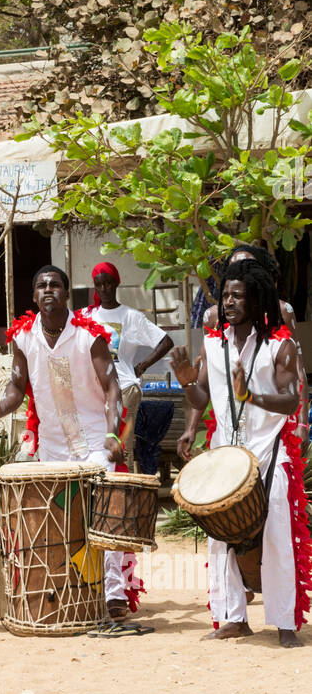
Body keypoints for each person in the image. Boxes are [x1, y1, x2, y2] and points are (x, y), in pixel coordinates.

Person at [0, 265, 143, 621]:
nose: (48, 289)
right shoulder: (22, 338)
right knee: (58, 522)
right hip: (52, 448)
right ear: (34, 296)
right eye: (41, 285)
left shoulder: (90, 336)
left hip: (97, 444)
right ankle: (69, 590)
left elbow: (113, 387)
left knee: (104, 520)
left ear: (68, 294)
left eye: (55, 284)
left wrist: (116, 433)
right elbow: (16, 387)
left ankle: (113, 595)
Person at [171, 258, 308, 648]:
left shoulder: (279, 346)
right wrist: (185, 384)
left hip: (269, 453)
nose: (227, 302)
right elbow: (202, 395)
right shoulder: (213, 344)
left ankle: (284, 622)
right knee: (220, 539)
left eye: (237, 295)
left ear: (257, 298)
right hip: (225, 454)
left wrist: (252, 396)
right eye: (225, 295)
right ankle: (232, 617)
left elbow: (289, 400)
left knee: (279, 536)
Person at [188, 244, 309, 452]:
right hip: (231, 422)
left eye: (248, 266)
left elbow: (298, 372)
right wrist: (191, 428)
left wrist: (302, 423)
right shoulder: (213, 317)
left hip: (271, 421)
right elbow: (204, 380)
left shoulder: (281, 312)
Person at [84, 261, 173, 436]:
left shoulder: (131, 317)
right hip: (93, 391)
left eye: (108, 283)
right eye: (98, 284)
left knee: (122, 449)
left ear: (116, 282)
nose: (104, 288)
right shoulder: (87, 315)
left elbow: (166, 342)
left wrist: (141, 367)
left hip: (124, 388)